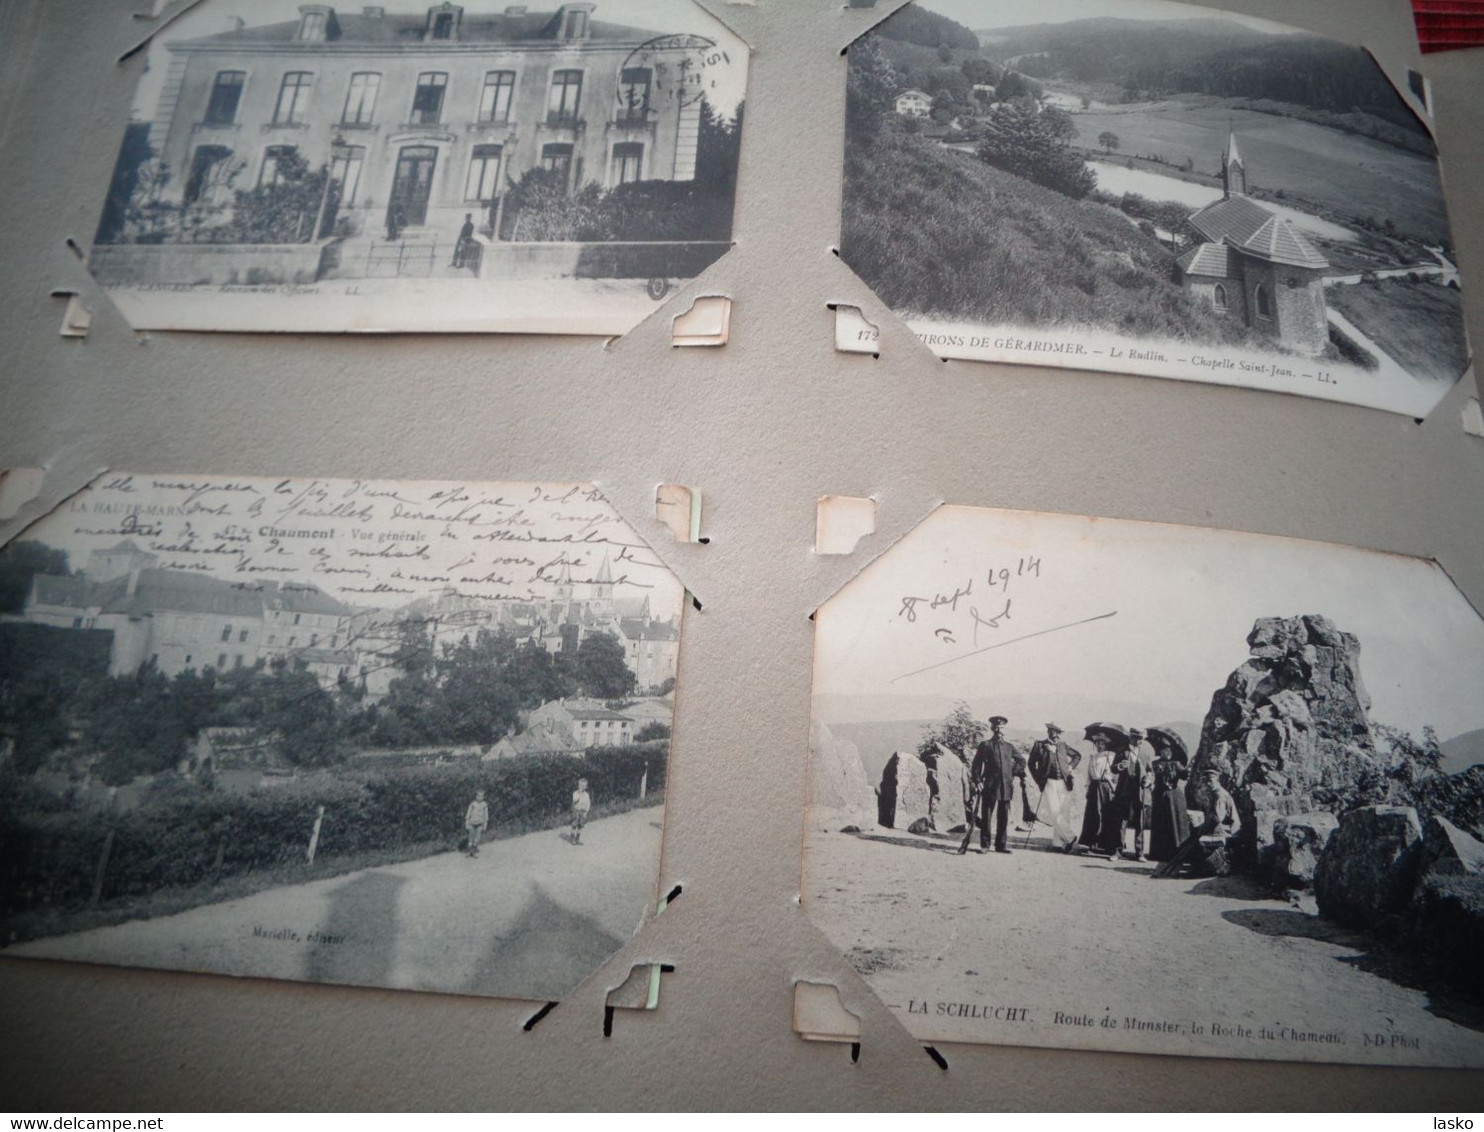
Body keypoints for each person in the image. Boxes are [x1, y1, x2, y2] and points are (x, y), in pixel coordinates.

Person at [959, 715, 1017, 855]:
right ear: (992, 728)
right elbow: (976, 765)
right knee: (987, 817)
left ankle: (1000, 846)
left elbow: (1021, 762)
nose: (999, 730)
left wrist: (1011, 774)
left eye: (1001, 727)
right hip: (989, 786)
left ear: (1005, 729)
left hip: (1005, 787)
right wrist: (978, 781)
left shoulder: (1009, 747)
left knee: (1003, 818)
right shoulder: (985, 745)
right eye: (996, 727)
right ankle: (984, 845)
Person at [1073, 723, 1124, 856]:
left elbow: (1115, 774)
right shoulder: (1093, 757)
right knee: (1093, 815)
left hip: (1106, 787)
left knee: (1106, 815)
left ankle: (1106, 844)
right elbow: (1089, 774)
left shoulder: (1112, 756)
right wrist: (1088, 787)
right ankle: (1091, 843)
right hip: (1094, 787)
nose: (1099, 745)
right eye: (1097, 743)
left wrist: (1113, 787)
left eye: (1101, 743)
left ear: (1106, 744)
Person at [1027, 722, 1077, 850]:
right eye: (1055, 732)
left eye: (1059, 732)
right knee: (1054, 811)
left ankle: (1059, 842)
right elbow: (1031, 764)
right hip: (1048, 782)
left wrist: (1070, 767)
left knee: (1063, 812)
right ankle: (1070, 837)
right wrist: (1039, 779)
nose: (1057, 735)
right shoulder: (1039, 745)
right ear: (1049, 731)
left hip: (1064, 782)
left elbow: (1077, 756)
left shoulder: (1062, 745)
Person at [1146, 727, 1191, 861]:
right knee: (1160, 824)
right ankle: (1158, 853)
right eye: (1164, 750)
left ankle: (1177, 853)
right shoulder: (1155, 764)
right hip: (1160, 795)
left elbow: (1184, 776)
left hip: (1174, 797)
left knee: (1175, 823)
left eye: (1169, 750)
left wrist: (1187, 770)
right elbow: (1151, 777)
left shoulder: (1177, 764)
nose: (1167, 752)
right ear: (1160, 751)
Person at [1114, 726, 1153, 861]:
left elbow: (1150, 771)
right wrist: (1119, 766)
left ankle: (1140, 853)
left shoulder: (1145, 753)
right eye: (1139, 738)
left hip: (1140, 791)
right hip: (1124, 790)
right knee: (1122, 821)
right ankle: (1118, 851)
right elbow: (1113, 768)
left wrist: (1148, 779)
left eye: (1142, 738)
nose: (1141, 741)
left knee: (1140, 822)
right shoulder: (1121, 751)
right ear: (1132, 738)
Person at [464, 789, 488, 858]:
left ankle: (474, 852)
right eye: (478, 796)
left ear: (483, 797)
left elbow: (486, 815)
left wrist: (485, 824)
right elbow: (468, 813)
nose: (480, 798)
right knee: (471, 837)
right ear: (476, 796)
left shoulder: (484, 805)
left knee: (477, 838)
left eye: (481, 796)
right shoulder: (473, 804)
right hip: (472, 823)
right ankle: (469, 851)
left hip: (480, 823)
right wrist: (467, 822)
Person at [570, 777, 592, 845]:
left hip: (583, 811)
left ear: (586, 787)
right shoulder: (575, 793)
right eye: (580, 785)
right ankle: (572, 838)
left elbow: (588, 803)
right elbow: (575, 800)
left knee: (580, 825)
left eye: (583, 785)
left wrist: (586, 811)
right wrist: (579, 794)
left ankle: (578, 839)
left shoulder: (586, 795)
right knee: (574, 825)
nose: (582, 787)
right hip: (576, 811)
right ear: (578, 785)